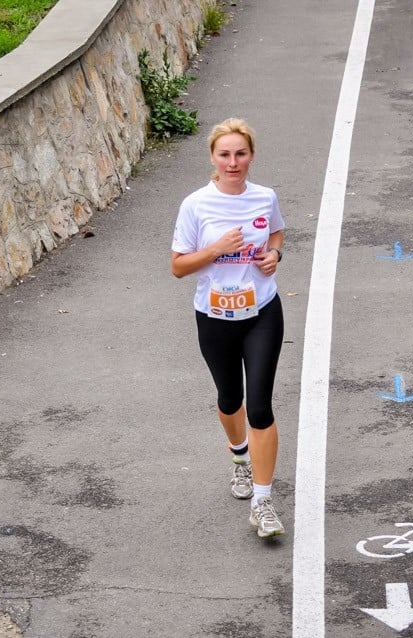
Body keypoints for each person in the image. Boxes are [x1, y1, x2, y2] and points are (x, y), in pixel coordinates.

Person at [171, 117, 286, 538]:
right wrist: (216, 249)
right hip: (215, 318)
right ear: (213, 158)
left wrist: (274, 255)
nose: (233, 162)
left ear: (251, 156)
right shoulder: (196, 205)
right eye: (225, 155)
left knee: (259, 406)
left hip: (262, 313)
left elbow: (276, 232)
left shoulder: (265, 197)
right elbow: (178, 267)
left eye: (240, 154)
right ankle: (239, 459)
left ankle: (263, 501)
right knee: (229, 397)